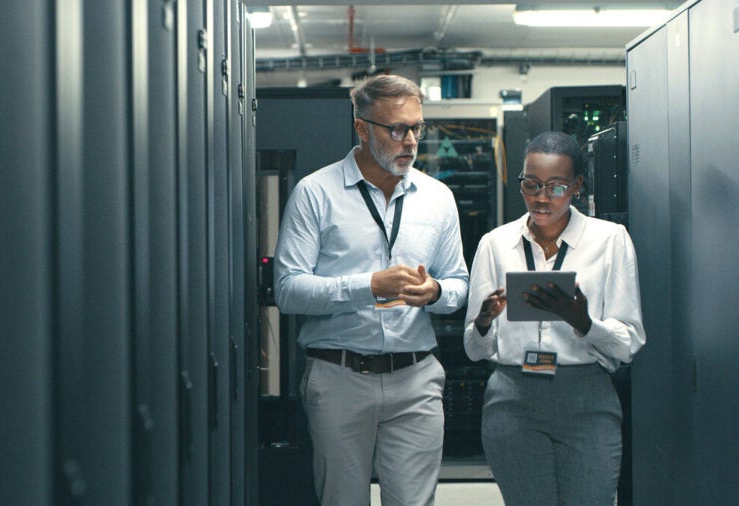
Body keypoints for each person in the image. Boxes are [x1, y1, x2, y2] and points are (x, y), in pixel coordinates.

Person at [274, 74, 469, 506]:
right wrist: (368, 287)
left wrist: (435, 292)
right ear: (362, 128)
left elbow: (459, 284)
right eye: (396, 129)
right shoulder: (316, 193)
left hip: (416, 379)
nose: (411, 141)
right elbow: (288, 290)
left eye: (417, 128)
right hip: (340, 377)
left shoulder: (437, 198)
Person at [463, 131, 646, 505]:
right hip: (513, 398)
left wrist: (583, 322)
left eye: (556, 187)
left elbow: (628, 343)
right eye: (531, 184)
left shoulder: (610, 240)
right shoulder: (496, 243)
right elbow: (474, 349)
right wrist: (483, 321)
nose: (542, 197)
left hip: (586, 398)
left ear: (578, 186)